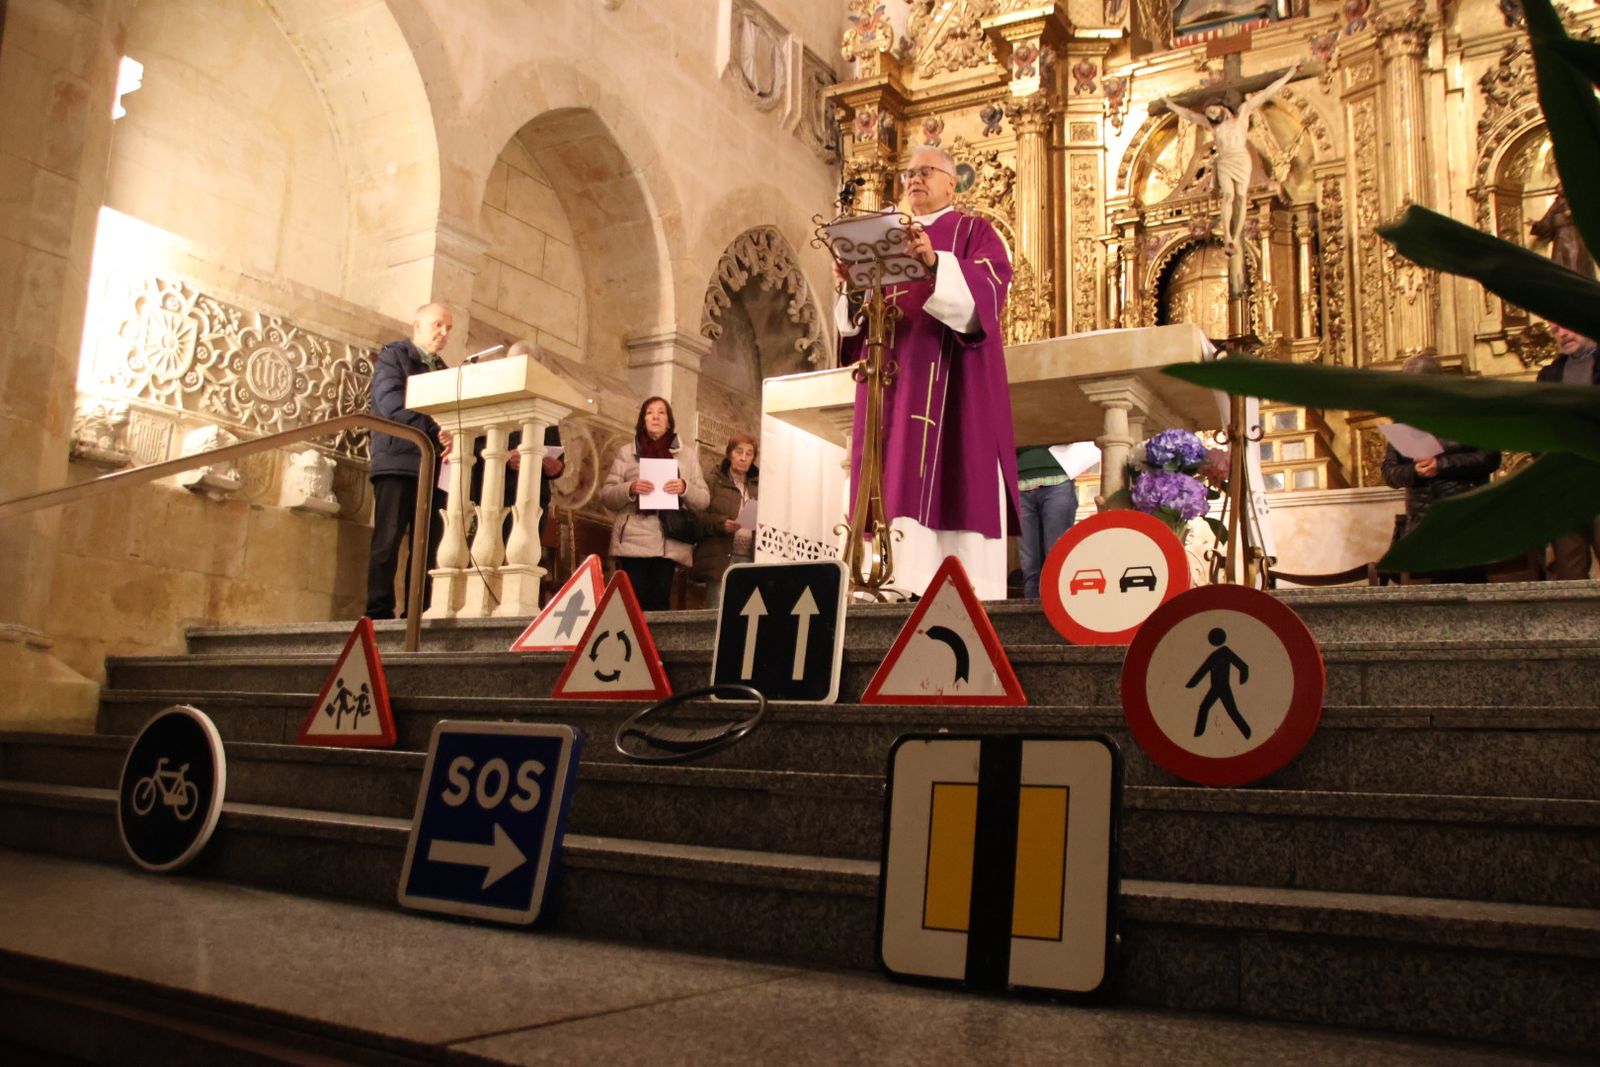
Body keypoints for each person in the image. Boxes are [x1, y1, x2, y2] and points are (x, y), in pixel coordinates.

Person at [833, 144, 1018, 600]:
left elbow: (992, 290)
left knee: (951, 464)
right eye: (908, 173)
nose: (913, 179)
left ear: (952, 182)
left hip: (949, 378)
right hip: (889, 376)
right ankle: (883, 577)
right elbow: (853, 327)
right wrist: (850, 284)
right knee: (887, 464)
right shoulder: (885, 235)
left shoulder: (973, 230)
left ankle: (950, 581)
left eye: (925, 172)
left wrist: (937, 263)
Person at [1163, 62, 1301, 270]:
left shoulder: (1242, 114)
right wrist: (1169, 104)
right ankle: (1228, 235)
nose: (1210, 115)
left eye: (1212, 110)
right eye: (1208, 113)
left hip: (1240, 158)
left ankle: (1235, 236)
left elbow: (1264, 95)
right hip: (1225, 160)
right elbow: (1190, 116)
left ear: (1222, 106)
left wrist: (1288, 74)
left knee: (1241, 198)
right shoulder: (1213, 127)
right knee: (1227, 196)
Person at [365, 303, 454, 619]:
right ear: (417, 324)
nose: (443, 334)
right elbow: (390, 404)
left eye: (448, 328)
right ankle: (378, 611)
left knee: (428, 545)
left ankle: (418, 611)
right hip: (397, 461)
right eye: (437, 325)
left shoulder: (445, 369)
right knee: (387, 541)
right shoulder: (394, 356)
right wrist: (435, 428)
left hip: (433, 468)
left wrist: (453, 433)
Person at [1380, 354, 1502, 583]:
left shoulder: (1468, 415)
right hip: (1422, 523)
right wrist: (1414, 472)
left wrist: (1441, 465)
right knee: (1429, 602)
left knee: (1471, 594)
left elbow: (1490, 457)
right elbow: (1389, 472)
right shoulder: (1403, 422)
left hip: (1463, 519)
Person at [599, 396, 710, 611]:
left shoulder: (686, 455)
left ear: (669, 421)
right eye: (650, 412)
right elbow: (606, 495)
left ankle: (654, 645)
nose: (656, 416)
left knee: (659, 602)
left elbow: (704, 500)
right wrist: (630, 488)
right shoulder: (627, 452)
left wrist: (684, 487)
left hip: (668, 539)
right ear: (643, 420)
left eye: (661, 412)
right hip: (634, 537)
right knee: (633, 602)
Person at [1539, 324, 1600, 579]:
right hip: (1564, 485)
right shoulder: (1549, 376)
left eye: (1567, 326)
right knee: (1569, 569)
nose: (1562, 334)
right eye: (1555, 330)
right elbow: (1539, 427)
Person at [693, 434, 759, 610]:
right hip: (720, 556)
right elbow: (699, 516)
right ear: (730, 454)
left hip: (749, 557)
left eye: (749, 453)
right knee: (717, 611)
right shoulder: (714, 480)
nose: (743, 458)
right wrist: (722, 524)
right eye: (739, 452)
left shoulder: (758, 486)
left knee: (742, 611)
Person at [1015, 445, 1078, 599]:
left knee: (1056, 557)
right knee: (1029, 563)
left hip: (1059, 477)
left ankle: (1059, 611)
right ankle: (1032, 619)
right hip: (1019, 481)